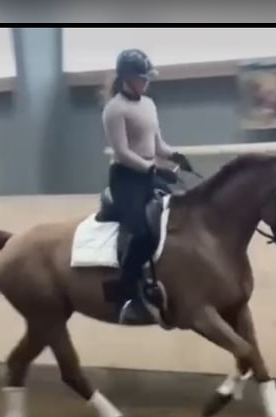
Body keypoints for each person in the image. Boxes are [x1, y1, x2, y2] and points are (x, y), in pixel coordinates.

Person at [102, 48, 194, 325]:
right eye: (142, 78)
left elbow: (157, 145)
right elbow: (122, 152)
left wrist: (175, 156)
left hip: (148, 173)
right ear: (128, 78)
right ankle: (127, 294)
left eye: (147, 78)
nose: (147, 82)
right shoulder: (115, 109)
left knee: (184, 211)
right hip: (126, 178)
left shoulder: (149, 104)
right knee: (142, 233)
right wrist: (152, 168)